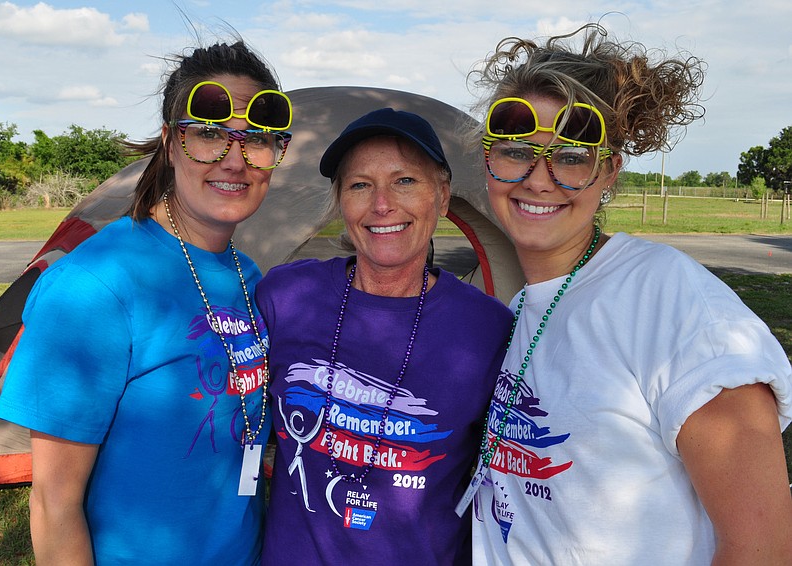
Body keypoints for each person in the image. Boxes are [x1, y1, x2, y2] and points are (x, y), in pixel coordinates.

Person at [462, 24, 792, 565]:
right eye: (517, 152)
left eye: (572, 157)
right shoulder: (523, 307)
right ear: (488, 163)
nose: (539, 179)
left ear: (610, 171)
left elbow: (763, 550)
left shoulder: (671, 304)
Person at [0, 39, 292, 565]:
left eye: (257, 141)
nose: (235, 160)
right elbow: (54, 505)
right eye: (209, 134)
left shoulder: (246, 276)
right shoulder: (93, 286)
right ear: (170, 144)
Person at [256, 108, 512, 565]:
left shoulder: (488, 328)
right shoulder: (286, 296)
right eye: (360, 185)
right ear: (340, 201)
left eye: (405, 181)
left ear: (443, 196)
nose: (381, 205)